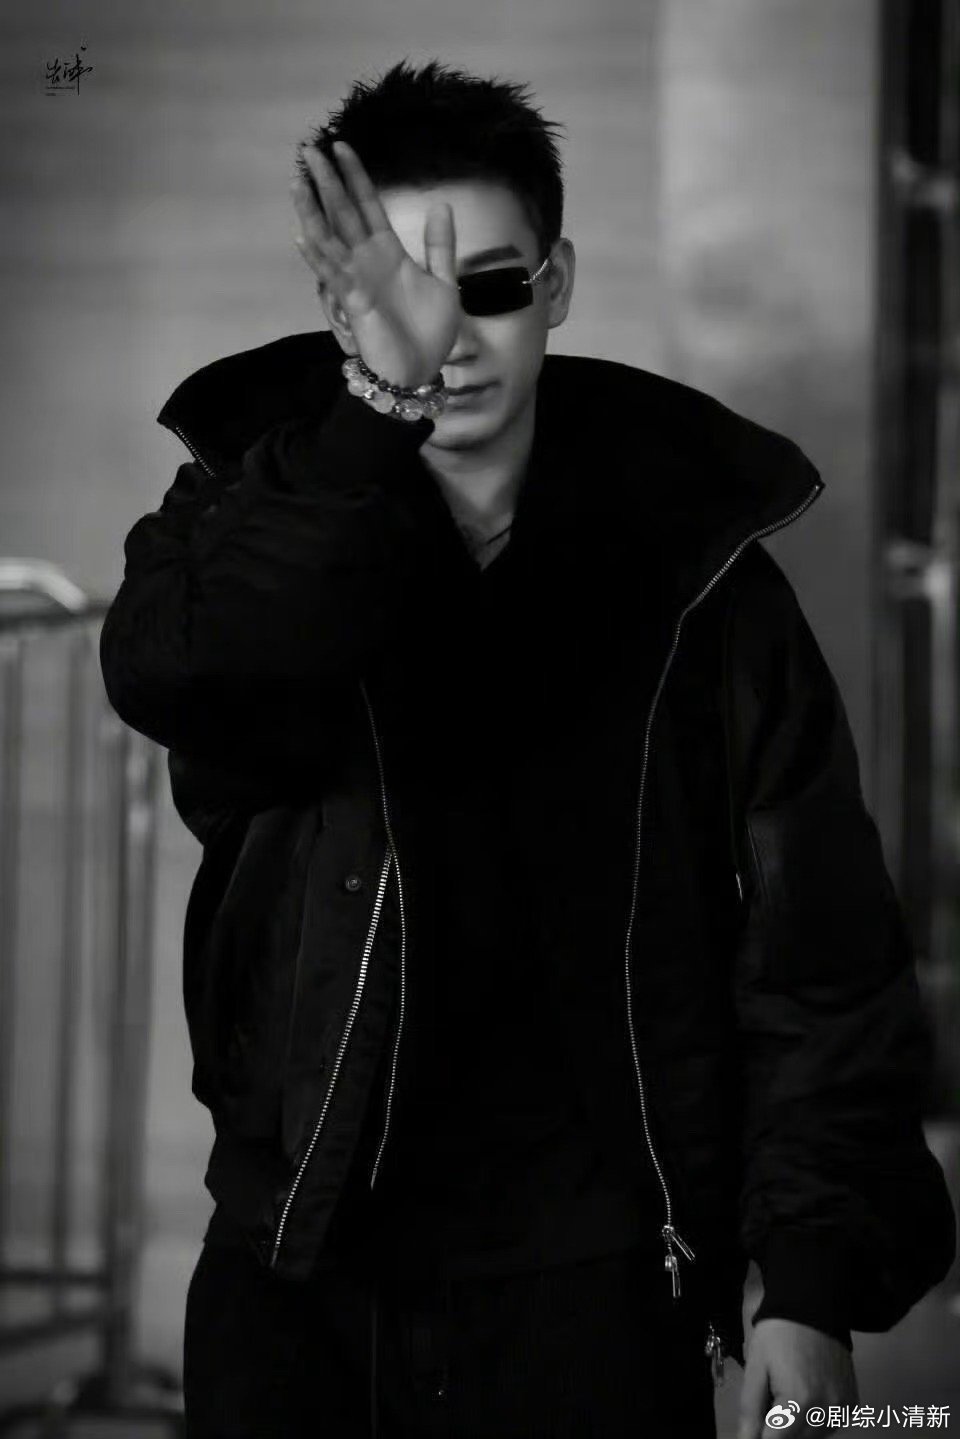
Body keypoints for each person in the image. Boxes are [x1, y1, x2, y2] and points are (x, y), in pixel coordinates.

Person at [99, 58, 955, 1439]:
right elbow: (175, 674)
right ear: (338, 303)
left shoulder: (704, 578)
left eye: (488, 288)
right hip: (301, 1273)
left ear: (558, 285)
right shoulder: (251, 508)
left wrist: (805, 1282)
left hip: (595, 1287)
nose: (446, 336)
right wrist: (369, 416)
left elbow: (818, 952)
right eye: (398, 294)